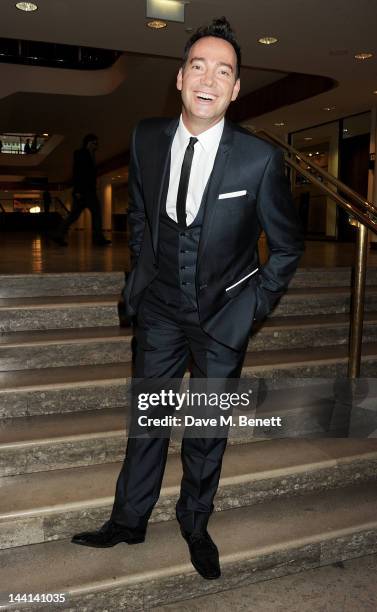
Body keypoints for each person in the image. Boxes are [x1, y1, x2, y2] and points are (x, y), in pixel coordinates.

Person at [72, 17, 304, 579]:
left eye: (223, 71)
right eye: (198, 66)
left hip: (224, 316)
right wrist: (141, 275)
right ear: (179, 77)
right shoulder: (146, 136)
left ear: (236, 88)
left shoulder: (258, 159)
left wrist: (253, 307)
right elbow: (142, 218)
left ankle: (195, 523)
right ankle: (128, 520)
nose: (209, 79)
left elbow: (288, 248)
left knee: (205, 430)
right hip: (159, 309)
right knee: (147, 420)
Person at [53, 133, 111, 246]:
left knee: (75, 215)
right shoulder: (80, 153)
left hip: (88, 191)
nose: (97, 145)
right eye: (95, 143)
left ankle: (58, 235)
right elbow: (77, 173)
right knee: (95, 213)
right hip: (84, 191)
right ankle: (98, 238)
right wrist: (78, 191)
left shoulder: (92, 154)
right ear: (89, 142)